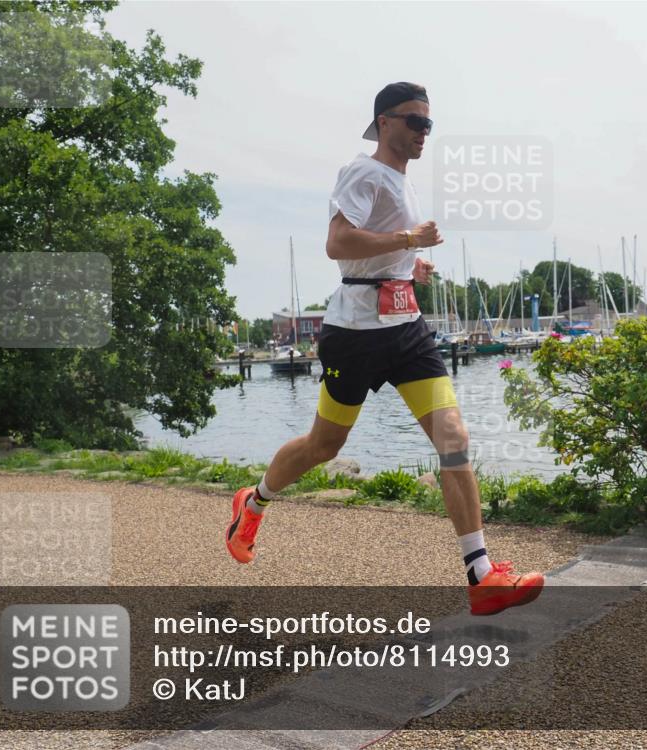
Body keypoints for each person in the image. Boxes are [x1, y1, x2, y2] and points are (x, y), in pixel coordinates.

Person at [226, 82, 543, 616]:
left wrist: (407, 266)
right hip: (355, 334)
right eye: (415, 122)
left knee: (454, 439)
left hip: (406, 329)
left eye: (429, 124)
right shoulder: (363, 171)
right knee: (323, 446)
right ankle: (252, 501)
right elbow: (337, 244)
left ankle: (480, 574)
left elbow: (373, 255)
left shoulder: (402, 182)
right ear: (384, 123)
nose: (424, 133)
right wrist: (407, 242)